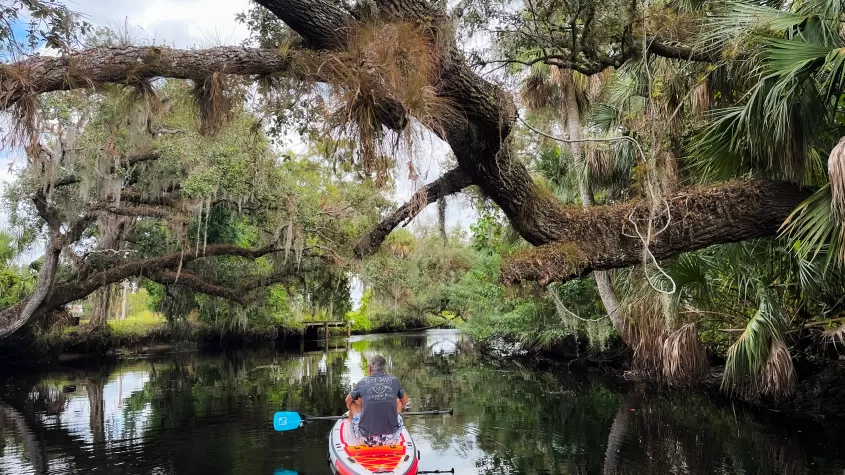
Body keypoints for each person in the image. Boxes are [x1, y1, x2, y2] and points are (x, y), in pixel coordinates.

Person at [345, 354, 409, 447]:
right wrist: (392, 412)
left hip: (367, 440)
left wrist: (353, 412)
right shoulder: (394, 380)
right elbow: (405, 400)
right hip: (392, 438)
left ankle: (352, 427)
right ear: (384, 368)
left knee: (353, 403)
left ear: (370, 368)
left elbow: (347, 400)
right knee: (398, 402)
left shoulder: (363, 382)